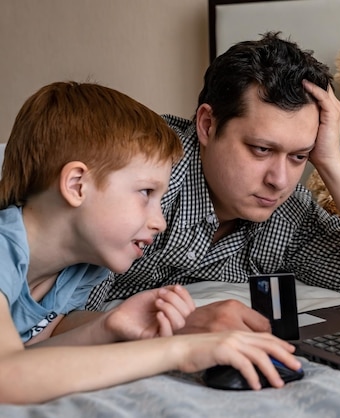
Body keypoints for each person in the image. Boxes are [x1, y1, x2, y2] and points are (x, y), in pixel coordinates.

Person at [0, 81, 300, 404]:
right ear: (76, 185)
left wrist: (109, 326)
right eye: (146, 193)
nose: (160, 221)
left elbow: (35, 353)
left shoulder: (79, 271)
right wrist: (176, 351)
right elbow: (9, 377)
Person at [83, 31, 340, 333]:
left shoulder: (290, 214)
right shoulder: (144, 178)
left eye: (298, 157)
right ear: (207, 125)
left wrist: (331, 162)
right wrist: (177, 328)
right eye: (261, 149)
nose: (279, 181)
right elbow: (51, 322)